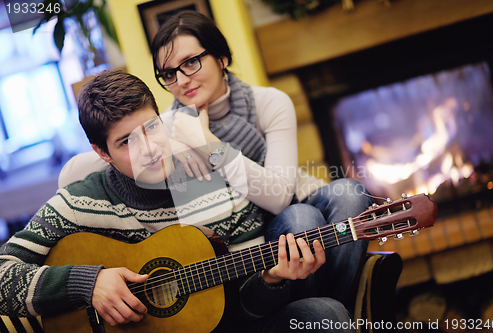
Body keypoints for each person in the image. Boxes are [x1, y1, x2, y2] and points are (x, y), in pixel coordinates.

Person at [0, 70, 356, 332]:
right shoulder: (79, 203)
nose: (150, 149)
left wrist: (272, 280)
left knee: (327, 315)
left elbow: (243, 309)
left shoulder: (212, 183)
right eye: (126, 142)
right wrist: (88, 283)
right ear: (101, 152)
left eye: (152, 128)